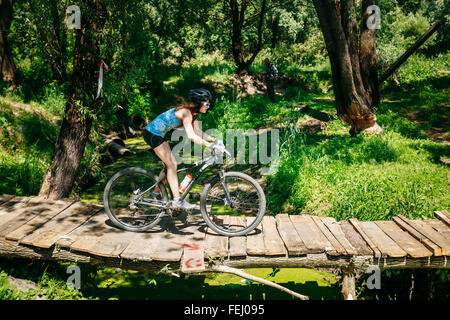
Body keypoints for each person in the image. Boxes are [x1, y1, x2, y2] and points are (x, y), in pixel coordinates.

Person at [143, 88, 218, 210]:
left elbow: (198, 131)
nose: (208, 106)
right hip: (152, 134)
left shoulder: (193, 114)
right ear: (199, 102)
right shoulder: (186, 112)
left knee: (168, 166)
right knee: (172, 165)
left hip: (158, 135)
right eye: (207, 104)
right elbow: (192, 136)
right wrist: (209, 145)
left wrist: (215, 141)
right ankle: (177, 200)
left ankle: (155, 194)